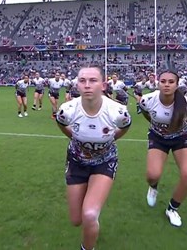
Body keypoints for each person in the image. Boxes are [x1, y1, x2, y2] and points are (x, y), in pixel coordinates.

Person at [56, 66, 132, 250]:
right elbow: (61, 122)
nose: (87, 85)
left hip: (104, 162)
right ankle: (92, 221)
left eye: (93, 80)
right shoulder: (67, 109)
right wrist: (75, 138)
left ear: (103, 85)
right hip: (76, 161)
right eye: (82, 81)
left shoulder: (117, 111)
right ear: (77, 85)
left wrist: (110, 139)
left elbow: (125, 127)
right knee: (76, 220)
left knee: (89, 214)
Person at [139, 70, 187, 227]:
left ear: (177, 85)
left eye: (171, 82)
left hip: (181, 138)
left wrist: (178, 126)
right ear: (158, 83)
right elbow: (146, 113)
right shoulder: (148, 100)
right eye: (163, 81)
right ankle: (153, 187)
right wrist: (158, 126)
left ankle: (172, 208)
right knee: (152, 175)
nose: (166, 84)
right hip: (158, 138)